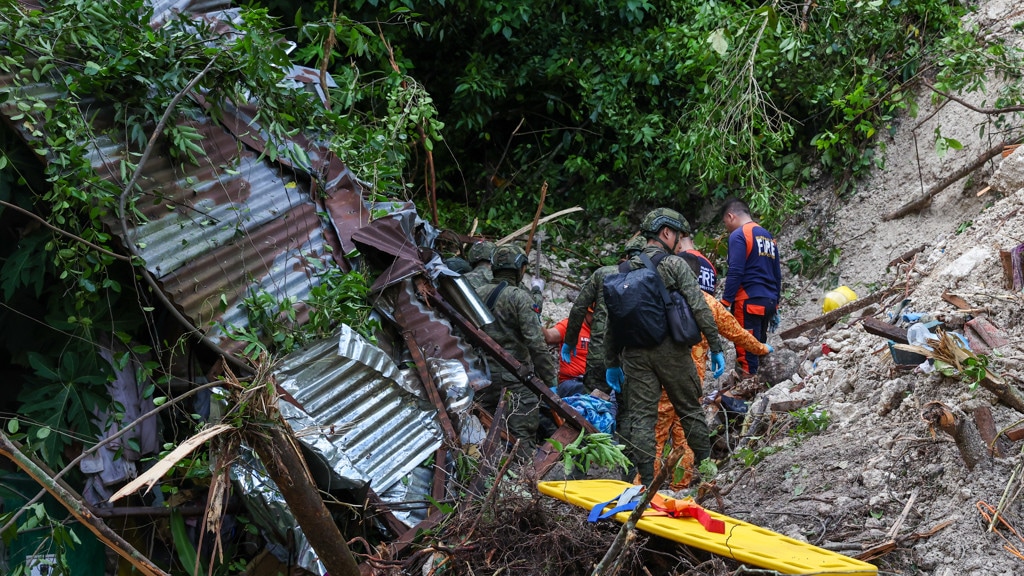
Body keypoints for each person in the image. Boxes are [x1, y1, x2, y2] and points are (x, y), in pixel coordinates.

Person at [606, 208, 724, 486]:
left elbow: (614, 320)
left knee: (642, 419)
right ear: (666, 233)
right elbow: (699, 307)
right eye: (677, 236)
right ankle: (706, 474)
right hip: (671, 349)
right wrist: (716, 345)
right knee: (689, 409)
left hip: (634, 354)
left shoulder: (623, 269)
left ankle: (646, 484)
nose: (678, 242)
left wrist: (611, 361)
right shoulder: (674, 265)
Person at [653, 252, 773, 488]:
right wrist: (761, 348)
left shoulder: (657, 299)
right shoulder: (707, 302)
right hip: (690, 381)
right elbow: (737, 333)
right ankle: (679, 487)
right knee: (684, 434)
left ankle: (643, 488)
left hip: (660, 378)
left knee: (655, 434)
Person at [474, 244, 558, 457]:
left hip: (481, 378)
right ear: (520, 268)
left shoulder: (475, 294)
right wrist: (551, 385)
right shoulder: (519, 297)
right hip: (515, 381)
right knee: (522, 439)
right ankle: (524, 484)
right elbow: (536, 344)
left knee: (484, 436)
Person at [562, 236, 646, 396]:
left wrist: (570, 340)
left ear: (627, 256)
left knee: (592, 404)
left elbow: (579, 307)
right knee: (627, 407)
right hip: (634, 356)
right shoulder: (651, 277)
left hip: (599, 353)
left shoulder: (602, 274)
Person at [719, 198, 782, 375]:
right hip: (768, 301)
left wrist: (725, 302)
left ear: (730, 216)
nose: (727, 228)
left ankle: (746, 392)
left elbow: (736, 271)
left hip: (748, 301)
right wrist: (775, 304)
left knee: (746, 351)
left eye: (726, 223)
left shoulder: (739, 235)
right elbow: (777, 274)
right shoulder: (768, 236)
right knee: (759, 346)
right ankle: (759, 387)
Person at [543, 307, 593, 398]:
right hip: (571, 382)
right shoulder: (571, 325)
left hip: (595, 381)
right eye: (593, 314)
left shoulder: (604, 331)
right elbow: (549, 337)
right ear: (586, 312)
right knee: (589, 390)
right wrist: (534, 321)